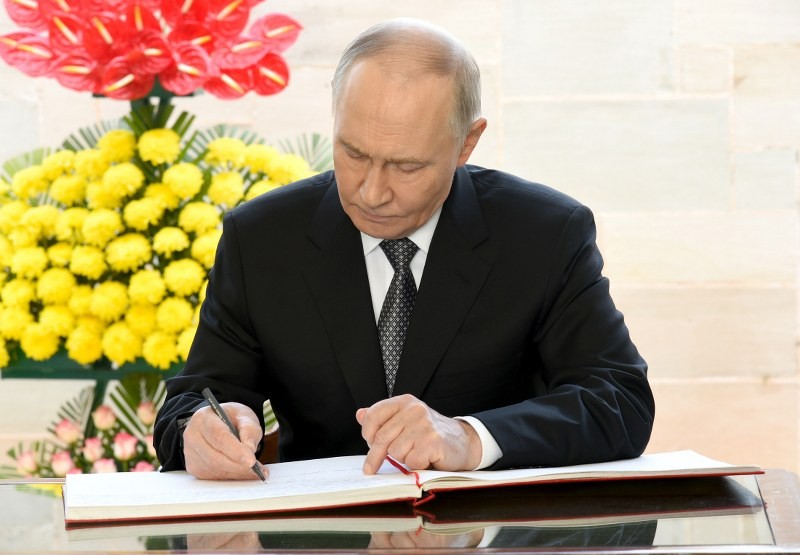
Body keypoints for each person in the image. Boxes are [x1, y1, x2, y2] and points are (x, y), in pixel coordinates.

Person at [153, 18, 655, 480]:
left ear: (466, 144)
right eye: (353, 153)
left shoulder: (545, 234)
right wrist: (203, 426)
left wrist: (468, 437)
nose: (371, 192)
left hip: (489, 534)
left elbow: (619, 401)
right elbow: (191, 402)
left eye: (407, 166)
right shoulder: (261, 238)